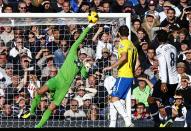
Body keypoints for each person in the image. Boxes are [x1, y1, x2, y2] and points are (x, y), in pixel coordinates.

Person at [21, 12, 98, 128]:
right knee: (40, 91)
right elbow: (80, 38)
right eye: (82, 54)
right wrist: (89, 26)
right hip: (56, 80)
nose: (83, 55)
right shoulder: (72, 52)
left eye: (84, 55)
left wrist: (87, 67)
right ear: (79, 52)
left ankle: (38, 126)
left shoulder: (81, 66)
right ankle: (31, 111)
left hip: (64, 87)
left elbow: (85, 76)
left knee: (51, 107)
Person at [103, 25, 140, 127]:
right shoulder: (133, 45)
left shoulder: (123, 43)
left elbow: (124, 57)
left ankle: (127, 121)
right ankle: (112, 124)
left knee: (114, 98)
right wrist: (131, 72)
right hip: (129, 76)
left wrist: (111, 67)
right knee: (116, 100)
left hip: (123, 75)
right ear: (128, 33)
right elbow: (138, 63)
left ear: (119, 33)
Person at [148, 30, 179, 127]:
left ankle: (157, 123)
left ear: (157, 39)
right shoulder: (173, 47)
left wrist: (164, 82)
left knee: (151, 100)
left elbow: (164, 64)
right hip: (174, 79)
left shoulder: (159, 49)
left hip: (165, 79)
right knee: (166, 100)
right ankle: (169, 119)